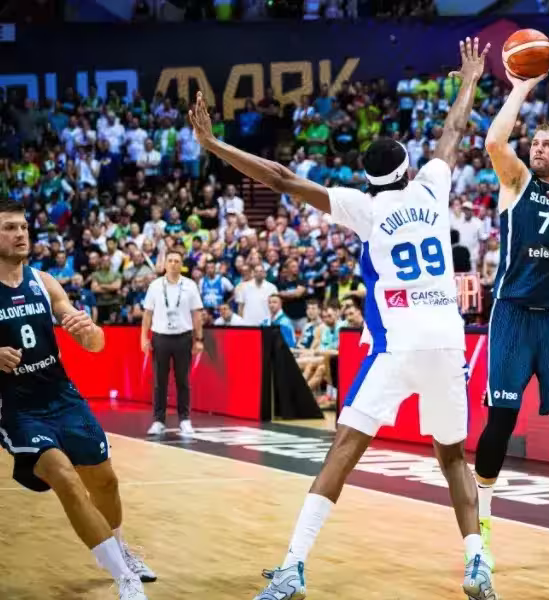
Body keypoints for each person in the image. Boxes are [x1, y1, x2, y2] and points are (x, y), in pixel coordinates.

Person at [189, 37, 497, 600]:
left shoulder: (365, 206)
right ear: (408, 169)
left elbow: (281, 178)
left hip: (399, 344)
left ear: (370, 178)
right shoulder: (432, 188)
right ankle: (477, 563)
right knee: (453, 456)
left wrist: (214, 144)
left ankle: (293, 567)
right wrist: (471, 79)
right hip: (448, 341)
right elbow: (454, 131)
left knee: (344, 450)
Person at [476, 37, 549, 572]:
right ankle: (481, 524)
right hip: (513, 315)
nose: (538, 148)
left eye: (548, 144)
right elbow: (494, 140)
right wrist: (521, 87)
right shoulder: (516, 183)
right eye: (535, 143)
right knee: (500, 421)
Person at [0, 199, 155, 600]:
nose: (20, 234)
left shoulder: (44, 282)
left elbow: (96, 343)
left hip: (63, 397)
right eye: (9, 228)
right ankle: (124, 577)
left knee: (105, 481)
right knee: (65, 478)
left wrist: (87, 331)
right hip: (19, 409)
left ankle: (120, 549)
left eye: (23, 227)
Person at [140, 250, 204, 436]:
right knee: (160, 381)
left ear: (181, 265)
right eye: (170, 260)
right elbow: (147, 314)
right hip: (160, 337)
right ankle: (158, 421)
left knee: (183, 380)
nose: (174, 264)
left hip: (183, 337)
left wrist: (199, 339)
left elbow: (197, 314)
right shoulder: (155, 286)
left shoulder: (190, 286)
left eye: (177, 261)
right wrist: (144, 337)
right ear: (165, 264)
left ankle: (185, 419)